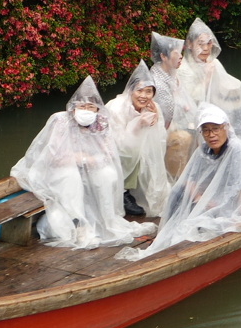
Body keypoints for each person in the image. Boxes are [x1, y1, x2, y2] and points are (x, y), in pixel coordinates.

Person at [10, 76, 156, 249]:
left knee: (108, 174)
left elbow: (109, 153)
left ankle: (106, 220)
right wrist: (82, 159)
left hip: (89, 167)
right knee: (71, 177)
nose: (86, 110)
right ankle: (79, 225)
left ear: (97, 109)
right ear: (73, 108)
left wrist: (91, 160)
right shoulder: (60, 121)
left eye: (91, 107)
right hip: (60, 170)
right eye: (82, 106)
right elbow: (54, 156)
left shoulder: (101, 123)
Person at [119, 104, 241, 260]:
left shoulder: (236, 149)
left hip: (231, 201)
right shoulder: (204, 150)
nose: (211, 134)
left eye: (216, 128)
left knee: (203, 222)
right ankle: (166, 236)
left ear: (226, 128)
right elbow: (190, 178)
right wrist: (200, 198)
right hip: (210, 199)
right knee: (177, 193)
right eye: (206, 130)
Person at [175, 17, 241, 141]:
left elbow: (225, 85)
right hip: (193, 118)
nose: (206, 48)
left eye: (209, 43)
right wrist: (206, 79)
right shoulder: (183, 68)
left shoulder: (214, 62)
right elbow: (189, 102)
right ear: (189, 45)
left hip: (217, 108)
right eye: (200, 43)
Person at [104, 61, 170, 217]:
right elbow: (116, 142)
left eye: (149, 92)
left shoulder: (153, 107)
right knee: (132, 150)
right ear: (131, 90)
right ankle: (123, 192)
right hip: (114, 154)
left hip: (137, 153)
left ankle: (142, 188)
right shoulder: (116, 107)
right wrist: (137, 125)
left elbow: (160, 140)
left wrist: (156, 120)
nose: (144, 96)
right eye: (139, 91)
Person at [149, 31, 197, 181]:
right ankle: (179, 179)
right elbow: (167, 116)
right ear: (164, 57)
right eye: (177, 53)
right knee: (185, 137)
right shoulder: (157, 81)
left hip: (174, 122)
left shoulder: (171, 73)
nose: (181, 56)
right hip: (159, 130)